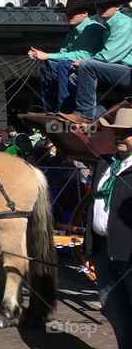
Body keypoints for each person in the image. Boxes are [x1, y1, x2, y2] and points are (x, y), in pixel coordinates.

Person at [86, 107, 132, 347]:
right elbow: (92, 206)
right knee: (116, 313)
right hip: (104, 253)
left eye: (128, 132)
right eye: (118, 132)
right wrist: (89, 248)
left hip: (129, 256)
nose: (121, 137)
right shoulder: (104, 164)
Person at [28, 0, 105, 113]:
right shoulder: (73, 32)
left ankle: (64, 108)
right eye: (67, 13)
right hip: (76, 65)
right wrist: (40, 55)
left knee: (63, 65)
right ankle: (49, 109)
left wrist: (48, 56)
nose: (68, 16)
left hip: (93, 66)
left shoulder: (93, 28)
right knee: (46, 68)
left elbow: (84, 55)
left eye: (72, 13)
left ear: (84, 14)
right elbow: (64, 53)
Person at [69, 0, 132, 121]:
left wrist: (82, 62)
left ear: (117, 6)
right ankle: (99, 112)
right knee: (74, 78)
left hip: (128, 72)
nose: (101, 8)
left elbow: (110, 55)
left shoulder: (125, 24)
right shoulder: (108, 25)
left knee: (87, 65)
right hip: (117, 70)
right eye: (99, 5)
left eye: (106, 5)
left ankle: (84, 114)